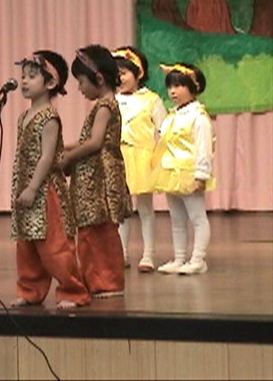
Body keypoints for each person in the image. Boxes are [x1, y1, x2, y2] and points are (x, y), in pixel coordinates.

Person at [10, 51, 91, 309]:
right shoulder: (24, 116)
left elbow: (47, 156)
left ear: (51, 82)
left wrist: (34, 187)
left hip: (46, 191)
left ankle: (72, 290)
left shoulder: (49, 117)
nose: (24, 81)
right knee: (27, 244)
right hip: (26, 188)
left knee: (54, 245)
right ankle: (30, 289)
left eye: (32, 76)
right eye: (23, 76)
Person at [60, 45, 131, 299]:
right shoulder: (106, 104)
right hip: (95, 174)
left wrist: (68, 156)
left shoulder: (104, 106)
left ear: (98, 78)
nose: (80, 88)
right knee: (92, 229)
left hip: (99, 177)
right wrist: (65, 147)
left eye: (81, 82)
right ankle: (96, 279)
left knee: (98, 231)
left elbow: (95, 142)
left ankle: (106, 281)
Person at [152, 63, 215, 275]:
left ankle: (198, 259)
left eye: (179, 86)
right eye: (170, 86)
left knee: (197, 218)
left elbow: (204, 148)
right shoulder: (172, 116)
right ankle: (179, 258)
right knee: (177, 219)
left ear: (193, 87)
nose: (173, 91)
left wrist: (201, 175)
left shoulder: (198, 117)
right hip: (171, 173)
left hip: (189, 173)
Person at [113, 47, 166, 272]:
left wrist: (161, 158)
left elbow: (164, 129)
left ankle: (148, 255)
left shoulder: (151, 100)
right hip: (119, 157)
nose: (120, 78)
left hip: (143, 157)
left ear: (139, 73)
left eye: (124, 73)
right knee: (121, 210)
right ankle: (121, 253)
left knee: (145, 208)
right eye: (116, 73)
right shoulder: (112, 100)